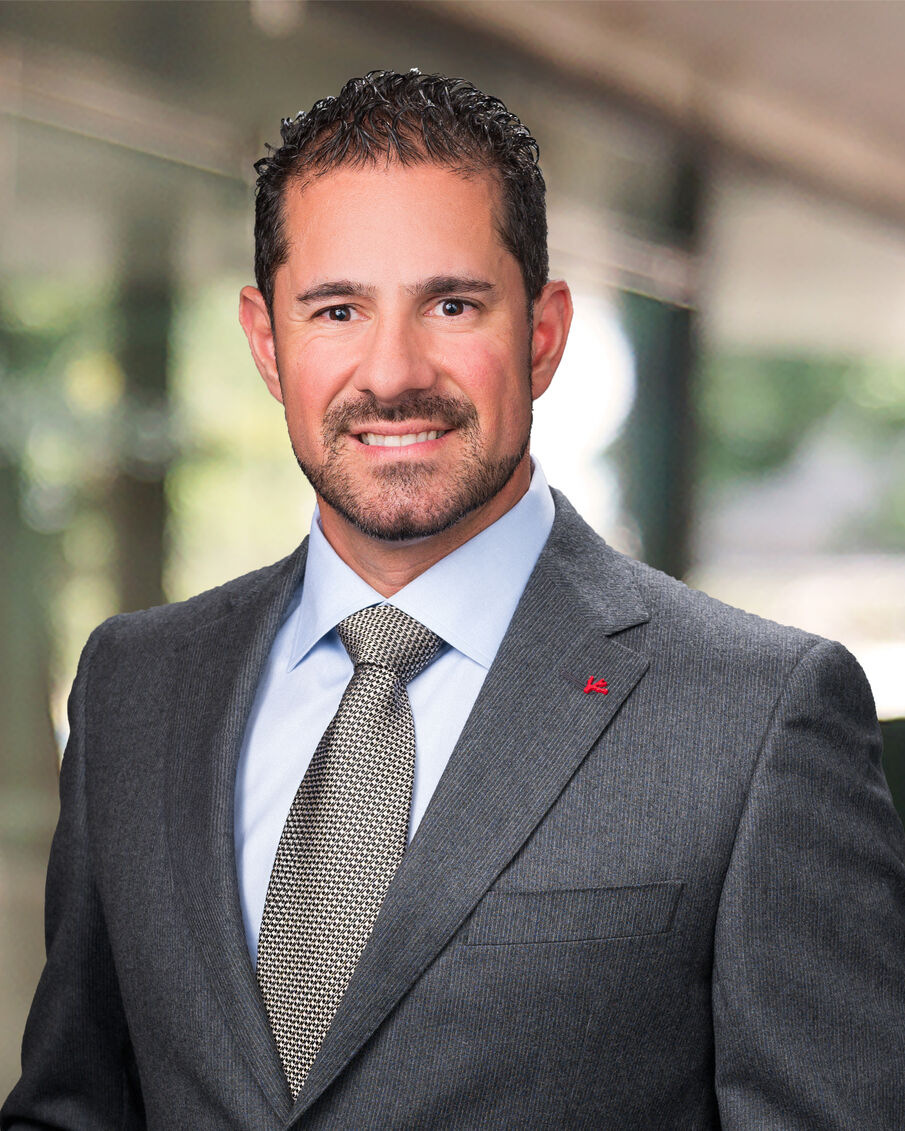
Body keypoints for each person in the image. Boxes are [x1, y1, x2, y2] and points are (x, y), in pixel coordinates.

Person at [3, 69, 904, 1130]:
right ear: (265, 341)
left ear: (542, 333)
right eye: (337, 309)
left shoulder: (753, 715)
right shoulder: (136, 684)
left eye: (452, 305)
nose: (392, 372)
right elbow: (73, 1106)